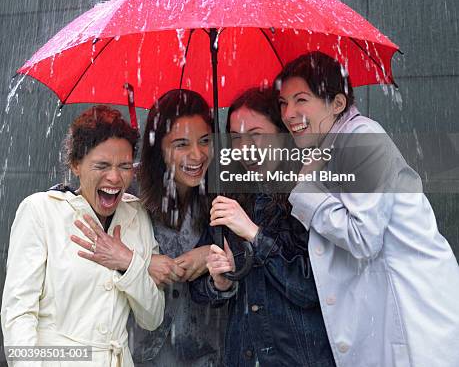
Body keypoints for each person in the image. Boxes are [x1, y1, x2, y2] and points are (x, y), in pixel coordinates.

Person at [275, 51, 459, 367]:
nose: (289, 113)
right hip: (383, 320)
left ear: (337, 103)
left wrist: (305, 192)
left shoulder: (364, 138)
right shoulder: (330, 147)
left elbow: (363, 237)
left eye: (301, 100)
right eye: (283, 103)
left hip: (412, 318)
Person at [1, 105, 164, 367]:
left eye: (124, 166)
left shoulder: (136, 215)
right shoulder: (40, 211)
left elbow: (152, 317)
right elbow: (18, 314)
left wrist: (128, 262)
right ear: (76, 165)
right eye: (102, 165)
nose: (115, 177)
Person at [190, 87, 336, 367]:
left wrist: (254, 235)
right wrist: (219, 282)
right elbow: (199, 289)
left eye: (256, 134)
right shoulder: (230, 195)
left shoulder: (310, 194)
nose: (244, 148)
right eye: (236, 138)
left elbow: (311, 289)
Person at [132, 88, 225, 366]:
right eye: (181, 144)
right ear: (159, 147)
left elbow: (243, 264)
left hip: (205, 350)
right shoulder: (129, 189)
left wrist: (214, 252)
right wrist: (143, 264)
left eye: (205, 141)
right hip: (141, 350)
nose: (197, 155)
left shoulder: (224, 193)